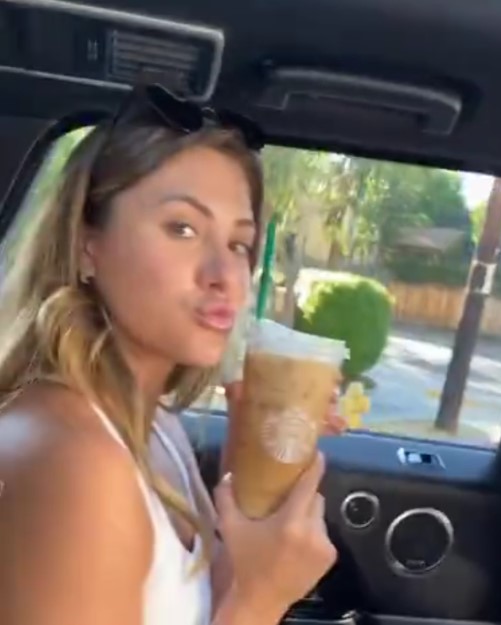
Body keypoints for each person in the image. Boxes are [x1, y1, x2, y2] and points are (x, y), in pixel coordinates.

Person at [0, 84, 337, 625]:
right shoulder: (74, 461)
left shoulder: (155, 424)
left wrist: (261, 445)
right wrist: (262, 599)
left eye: (238, 244)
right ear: (88, 245)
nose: (226, 276)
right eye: (182, 228)